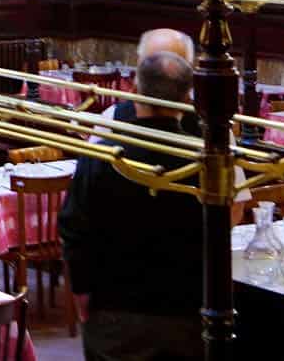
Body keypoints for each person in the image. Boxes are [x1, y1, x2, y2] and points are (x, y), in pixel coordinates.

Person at [60, 51, 205, 360]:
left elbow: (73, 229)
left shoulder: (103, 157)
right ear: (186, 98)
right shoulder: (209, 160)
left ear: (134, 92)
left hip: (114, 311)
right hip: (188, 311)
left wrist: (83, 296)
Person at [92, 27, 250, 223]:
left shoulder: (214, 127)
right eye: (153, 66)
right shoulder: (111, 120)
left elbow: (235, 203)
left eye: (175, 67)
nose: (163, 73)